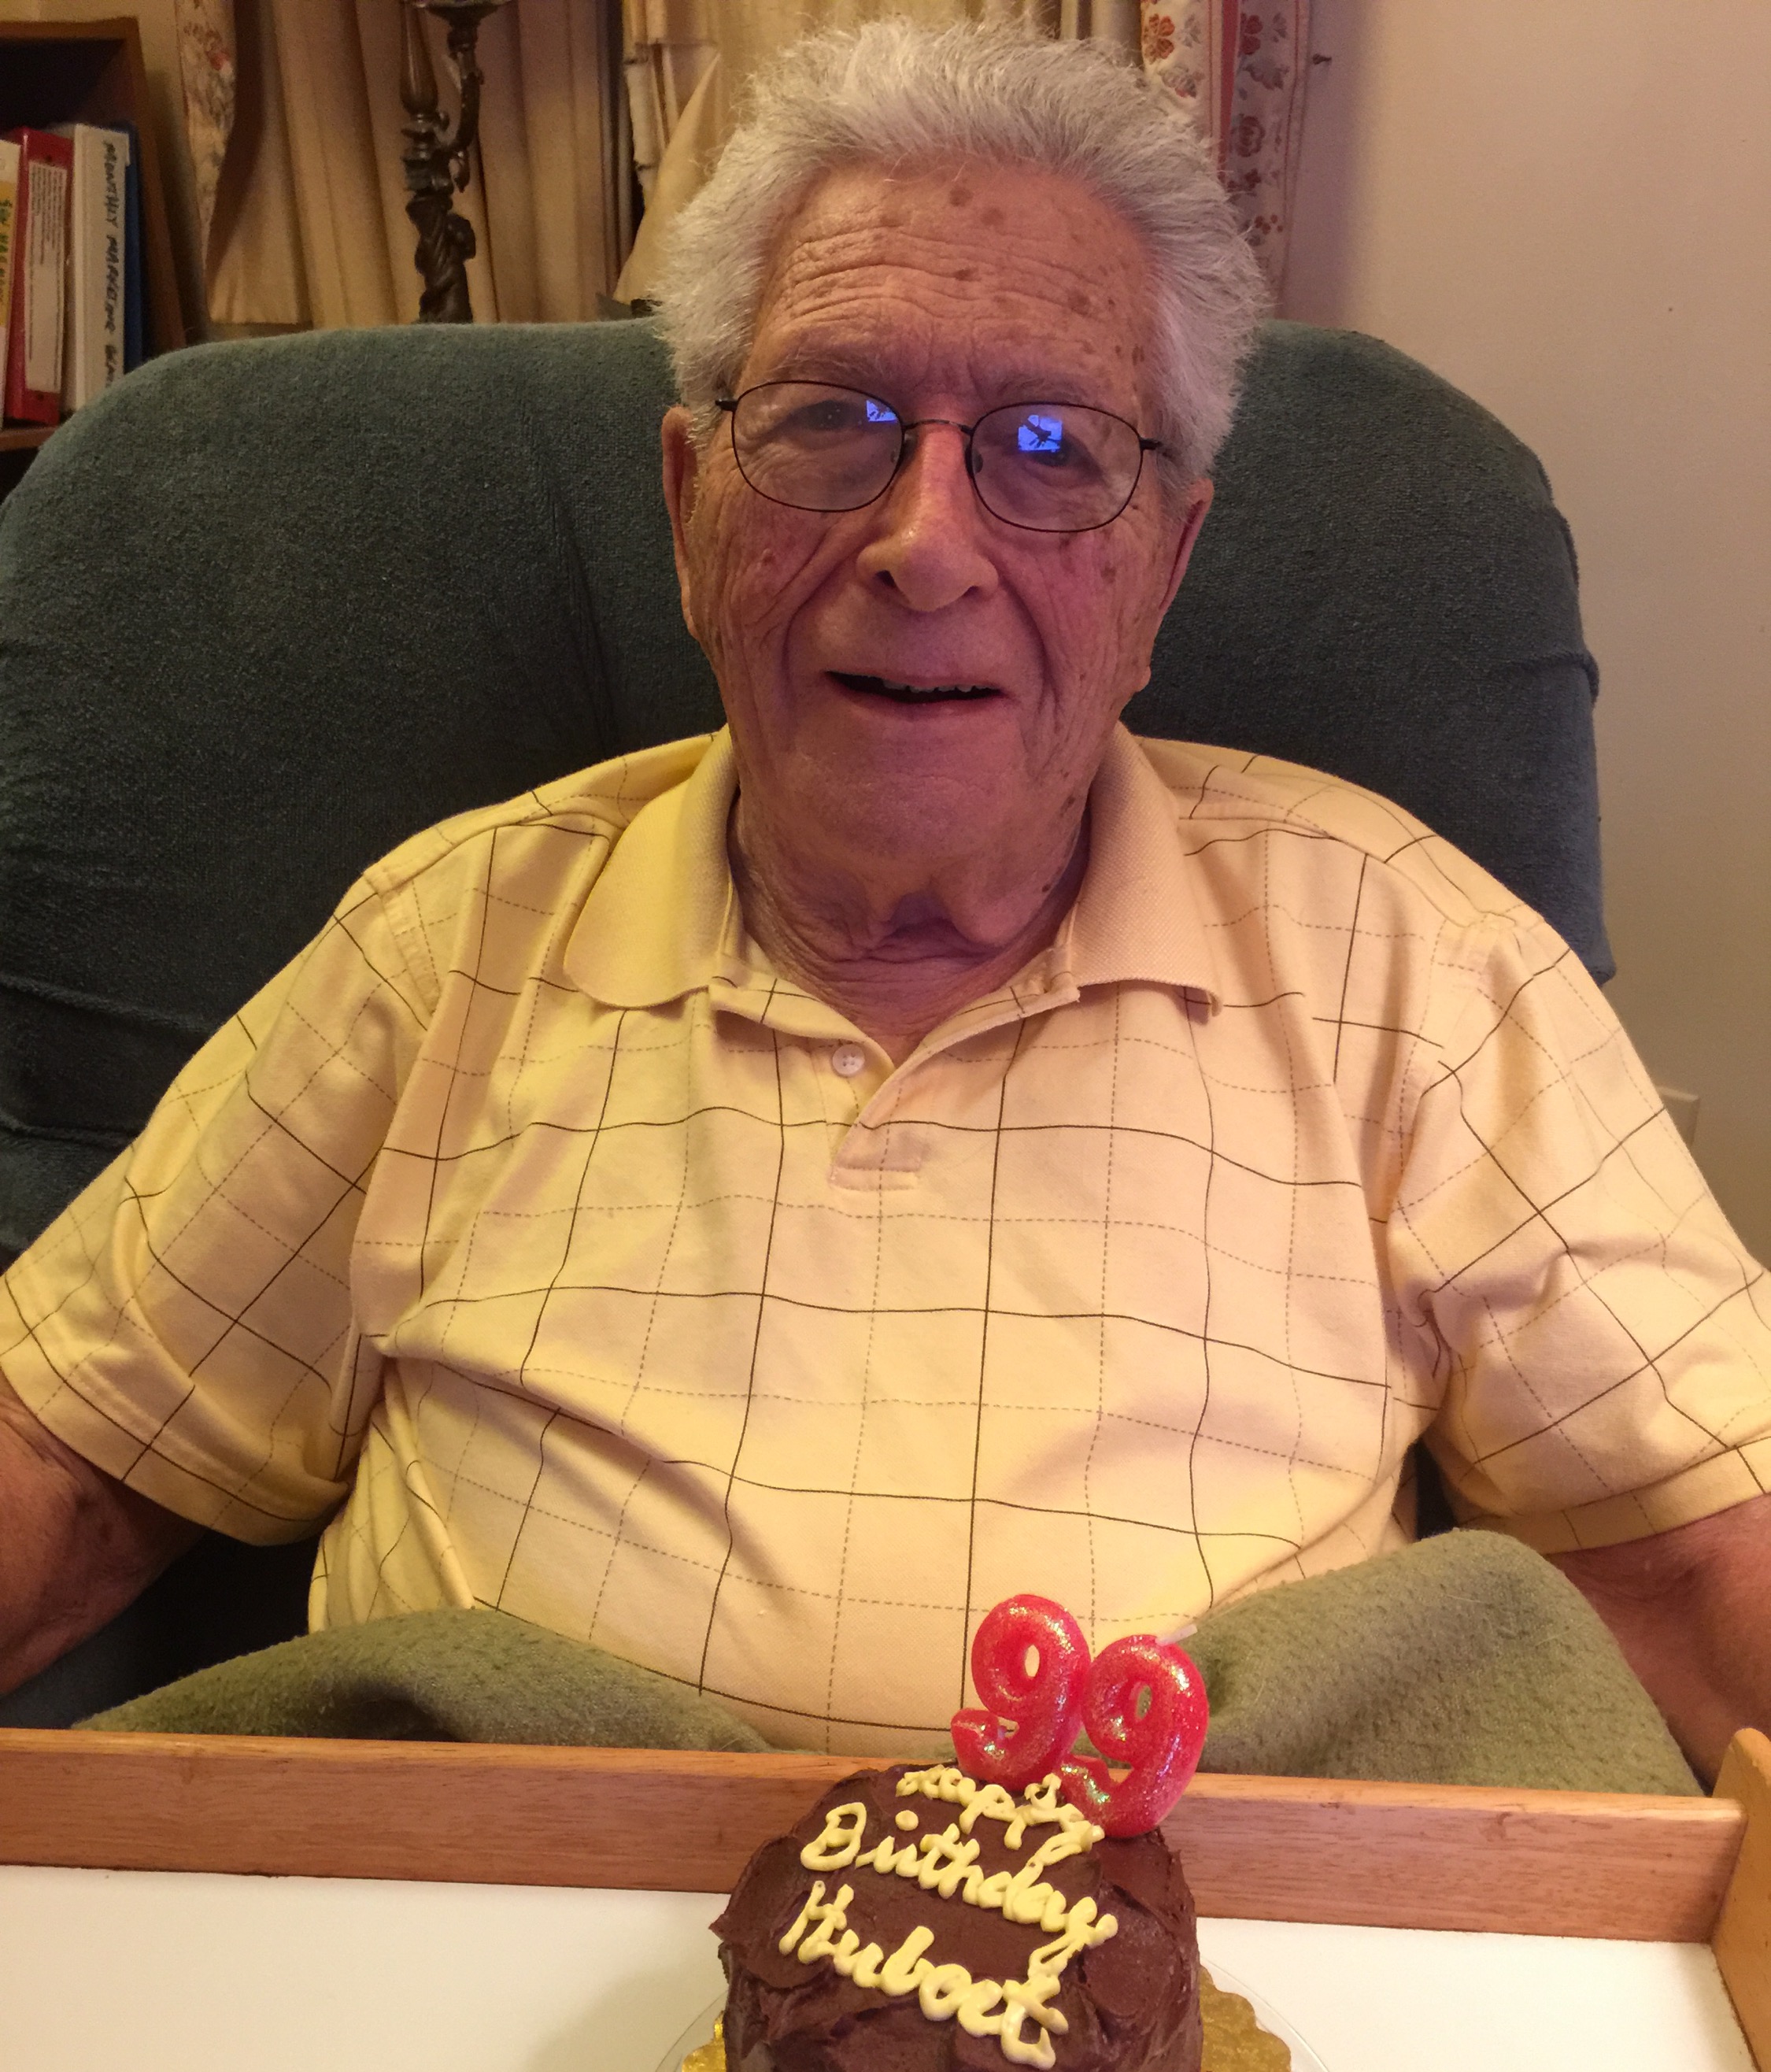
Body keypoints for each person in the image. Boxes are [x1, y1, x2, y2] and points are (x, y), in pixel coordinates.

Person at [2, 24, 1768, 1772]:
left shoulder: (1414, 955)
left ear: (1165, 566)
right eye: (832, 423)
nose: (926, 543)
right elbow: (70, 1460)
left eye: (1054, 448)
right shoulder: (447, 941)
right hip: (474, 1979)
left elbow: (1700, 1567)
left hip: (1208, 2005)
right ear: (695, 512)